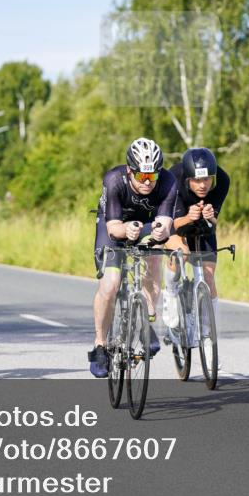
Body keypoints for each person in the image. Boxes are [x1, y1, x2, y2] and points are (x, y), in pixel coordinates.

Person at [89, 137, 185, 378]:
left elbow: (164, 222)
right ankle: (100, 345)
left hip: (147, 224)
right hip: (114, 224)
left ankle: (145, 320)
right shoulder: (114, 180)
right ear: (130, 171)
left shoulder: (168, 182)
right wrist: (126, 230)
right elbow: (113, 228)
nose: (147, 182)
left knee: (153, 262)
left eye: (152, 176)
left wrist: (160, 231)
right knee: (110, 285)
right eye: (142, 176)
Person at [169, 147, 230, 333]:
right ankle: (170, 294)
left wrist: (210, 216)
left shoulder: (222, 180)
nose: (203, 185)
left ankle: (209, 334)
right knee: (181, 254)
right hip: (178, 221)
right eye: (197, 180)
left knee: (208, 277)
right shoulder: (174, 179)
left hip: (203, 225)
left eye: (206, 179)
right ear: (188, 179)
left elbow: (214, 223)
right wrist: (189, 217)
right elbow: (175, 224)